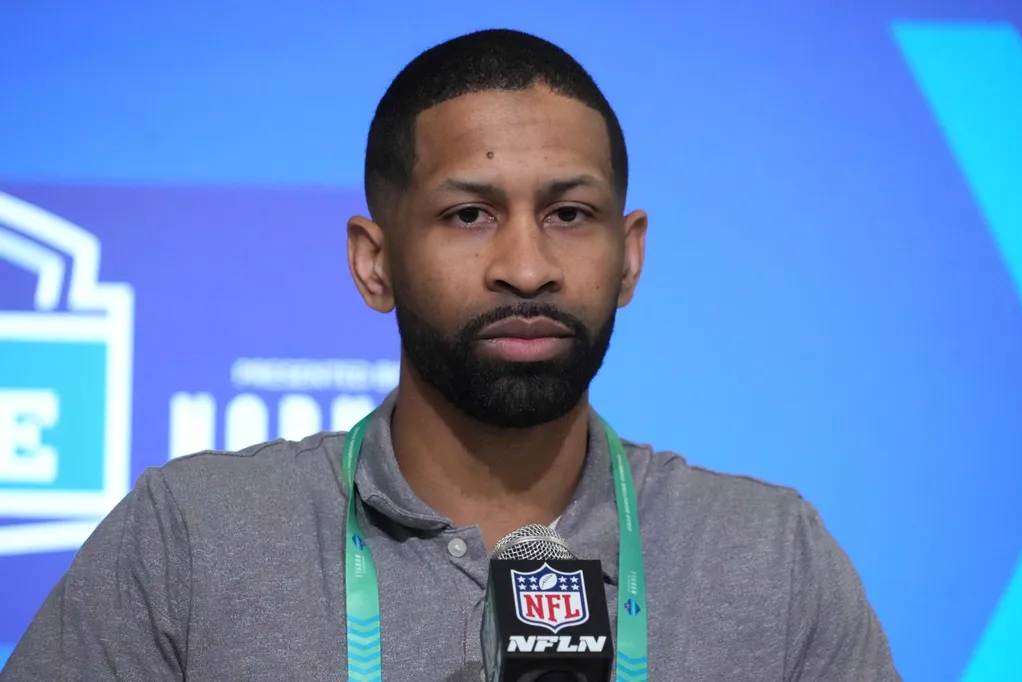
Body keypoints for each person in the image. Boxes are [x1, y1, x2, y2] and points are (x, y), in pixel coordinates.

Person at [1, 28, 900, 681]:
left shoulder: (769, 557)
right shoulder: (193, 539)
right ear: (374, 260)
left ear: (629, 257)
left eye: (569, 214)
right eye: (469, 214)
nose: (525, 267)